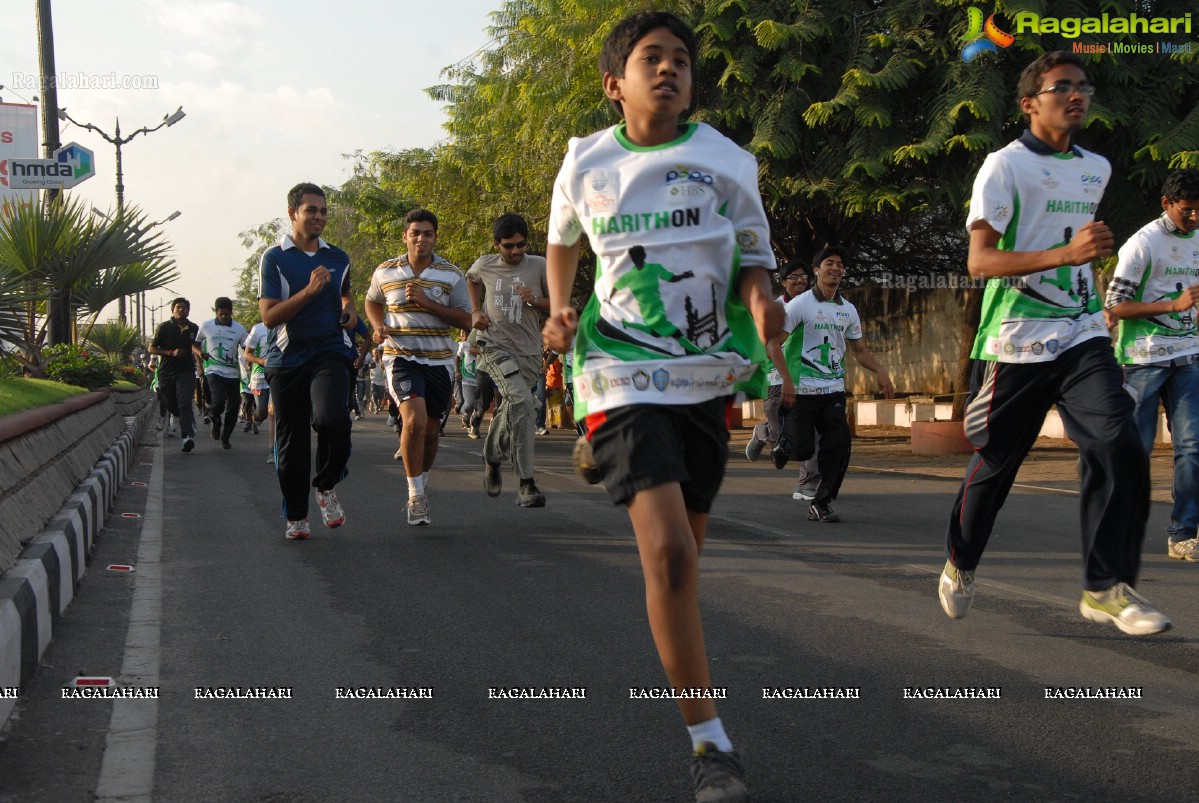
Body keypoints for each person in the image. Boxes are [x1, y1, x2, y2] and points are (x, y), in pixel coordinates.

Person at [542, 12, 783, 801]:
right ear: (615, 83)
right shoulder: (585, 162)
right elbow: (563, 242)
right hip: (617, 366)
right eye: (653, 58)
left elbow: (752, 258)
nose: (670, 69)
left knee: (686, 561)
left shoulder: (726, 161)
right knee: (671, 555)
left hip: (706, 377)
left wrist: (764, 300)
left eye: (681, 59)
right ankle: (710, 743)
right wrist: (557, 306)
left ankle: (621, 470)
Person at [938, 51, 1170, 636]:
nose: (1077, 95)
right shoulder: (1003, 167)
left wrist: (1082, 263)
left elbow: (1077, 244)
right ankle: (962, 562)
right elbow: (980, 261)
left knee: (1120, 440)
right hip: (1016, 338)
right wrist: (1065, 254)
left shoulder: (1096, 166)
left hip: (1081, 330)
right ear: (1028, 103)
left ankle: (1105, 586)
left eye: (1084, 86)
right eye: (1061, 86)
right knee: (996, 462)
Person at [1105, 167, 1199, 563]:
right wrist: (1171, 306)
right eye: (1187, 211)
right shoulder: (1142, 244)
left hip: (1189, 357)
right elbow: (1114, 305)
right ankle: (1120, 528)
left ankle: (1183, 534)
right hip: (1143, 359)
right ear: (1166, 204)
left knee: (1193, 447)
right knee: (1136, 449)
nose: (1195, 218)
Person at [258, 182, 358, 540]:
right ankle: (297, 516)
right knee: (292, 441)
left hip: (330, 350)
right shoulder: (275, 258)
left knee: (332, 419)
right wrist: (309, 291)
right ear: (292, 213)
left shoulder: (338, 257)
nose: (319, 216)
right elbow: (269, 317)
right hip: (286, 359)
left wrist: (349, 311)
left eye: (323, 210)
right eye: (311, 210)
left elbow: (346, 295)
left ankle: (326, 484)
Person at [365, 208, 471, 526]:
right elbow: (372, 300)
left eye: (427, 233)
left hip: (439, 359)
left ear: (435, 237)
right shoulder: (385, 271)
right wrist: (377, 325)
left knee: (432, 430)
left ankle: (421, 483)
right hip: (401, 357)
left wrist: (428, 303)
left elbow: (465, 319)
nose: (421, 239)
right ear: (405, 236)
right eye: (415, 233)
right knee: (415, 420)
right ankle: (415, 495)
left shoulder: (451, 275)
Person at [772, 248, 894, 522]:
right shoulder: (800, 304)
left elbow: (859, 351)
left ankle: (822, 502)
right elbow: (773, 343)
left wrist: (880, 371)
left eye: (840, 264)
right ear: (816, 270)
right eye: (830, 263)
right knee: (803, 450)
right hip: (800, 391)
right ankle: (785, 442)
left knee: (838, 446)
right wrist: (787, 382)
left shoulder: (847, 310)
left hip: (832, 391)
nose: (836, 268)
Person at [467, 212, 551, 508]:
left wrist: (536, 301)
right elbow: (471, 278)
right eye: (508, 246)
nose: (516, 251)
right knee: (524, 403)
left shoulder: (539, 265)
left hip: (529, 351)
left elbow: (557, 303)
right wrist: (475, 311)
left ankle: (491, 457)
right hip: (494, 346)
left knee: (516, 407)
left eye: (521, 245)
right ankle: (527, 483)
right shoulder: (485, 265)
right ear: (497, 244)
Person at [147, 297, 200, 453]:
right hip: (167, 372)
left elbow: (195, 346)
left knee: (185, 402)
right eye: (178, 307)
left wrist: (200, 359)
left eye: (184, 307)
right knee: (170, 402)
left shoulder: (193, 328)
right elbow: (152, 348)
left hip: (186, 371)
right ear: (173, 310)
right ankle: (175, 415)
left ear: (188, 311)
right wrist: (170, 352)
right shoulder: (164, 328)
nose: (181, 310)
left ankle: (186, 437)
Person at [195, 297, 249, 450]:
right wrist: (200, 360)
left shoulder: (239, 328)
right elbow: (195, 345)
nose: (224, 317)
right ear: (216, 312)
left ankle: (226, 437)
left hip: (232, 372)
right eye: (221, 314)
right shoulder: (206, 326)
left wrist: (250, 360)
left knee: (233, 406)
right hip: (213, 370)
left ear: (231, 312)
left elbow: (246, 347)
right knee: (218, 401)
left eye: (227, 314)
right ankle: (214, 418)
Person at [244, 320, 274, 462]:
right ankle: (256, 418)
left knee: (273, 412)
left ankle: (272, 450)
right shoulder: (258, 329)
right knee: (262, 412)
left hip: (279, 374)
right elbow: (247, 354)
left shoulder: (289, 324)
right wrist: (262, 361)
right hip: (260, 375)